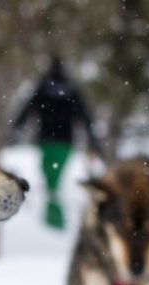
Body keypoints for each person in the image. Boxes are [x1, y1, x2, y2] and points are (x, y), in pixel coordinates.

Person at [12, 57, 101, 230]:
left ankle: (53, 220)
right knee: (54, 177)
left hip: (46, 139)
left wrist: (17, 127)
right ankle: (54, 218)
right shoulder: (72, 90)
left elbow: (27, 109)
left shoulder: (43, 88)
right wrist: (92, 139)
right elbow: (84, 116)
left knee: (49, 176)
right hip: (65, 142)